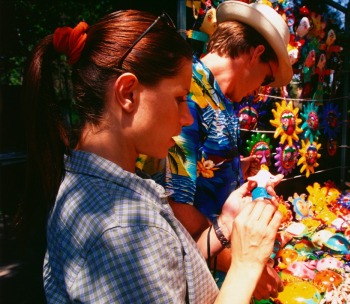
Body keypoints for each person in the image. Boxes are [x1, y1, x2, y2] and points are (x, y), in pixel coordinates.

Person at [22, 9, 283, 303]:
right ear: (128, 93)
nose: (187, 117)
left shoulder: (103, 189)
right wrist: (246, 265)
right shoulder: (122, 229)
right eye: (179, 98)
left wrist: (223, 225)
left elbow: (170, 269)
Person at [136, 1, 293, 298]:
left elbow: (197, 170)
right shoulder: (189, 94)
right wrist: (239, 264)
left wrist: (234, 168)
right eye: (268, 76)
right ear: (255, 53)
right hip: (202, 271)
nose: (263, 88)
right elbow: (175, 206)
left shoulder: (217, 95)